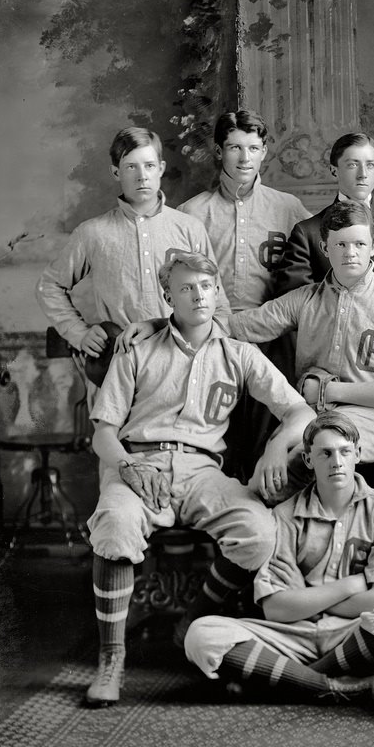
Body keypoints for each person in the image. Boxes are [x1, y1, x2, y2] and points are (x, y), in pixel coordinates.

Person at [83, 252, 315, 707]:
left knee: (257, 530)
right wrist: (128, 468)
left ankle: (194, 620)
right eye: (186, 288)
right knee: (114, 522)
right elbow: (104, 435)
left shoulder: (239, 354)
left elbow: (301, 411)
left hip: (202, 471)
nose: (198, 296)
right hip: (140, 464)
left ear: (216, 292)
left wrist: (274, 445)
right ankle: (111, 658)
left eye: (206, 287)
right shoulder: (139, 350)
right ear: (168, 296)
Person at [183, 411, 374, 706]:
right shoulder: (284, 515)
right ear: (310, 460)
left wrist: (305, 598)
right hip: (291, 635)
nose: (336, 462)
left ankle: (293, 682)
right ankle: (329, 686)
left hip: (349, 632)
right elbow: (276, 609)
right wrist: (350, 586)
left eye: (344, 452)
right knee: (202, 635)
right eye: (325, 453)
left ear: (358, 454)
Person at [224, 200, 374, 489]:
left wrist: (328, 391)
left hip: (369, 418)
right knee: (264, 477)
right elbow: (236, 326)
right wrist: (156, 325)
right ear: (324, 247)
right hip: (310, 416)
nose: (350, 253)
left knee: (301, 465)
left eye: (359, 244)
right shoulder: (306, 299)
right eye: (340, 244)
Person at [178, 109, 312, 480]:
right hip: (211, 338)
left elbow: (312, 275)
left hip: (273, 339)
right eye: (234, 147)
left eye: (253, 148)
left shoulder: (289, 209)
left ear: (265, 151)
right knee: (219, 433)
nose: (244, 158)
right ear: (219, 151)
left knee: (268, 433)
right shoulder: (192, 213)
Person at [37, 126, 230, 378]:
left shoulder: (189, 229)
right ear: (116, 172)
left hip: (184, 367)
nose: (142, 176)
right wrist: (78, 332)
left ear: (160, 168)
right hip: (120, 369)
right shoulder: (93, 233)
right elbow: (49, 286)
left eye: (149, 166)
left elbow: (220, 306)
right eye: (131, 167)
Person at [277, 132, 374, 346]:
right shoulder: (307, 233)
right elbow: (297, 312)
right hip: (332, 358)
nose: (363, 174)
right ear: (334, 169)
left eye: (370, 165)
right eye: (353, 165)